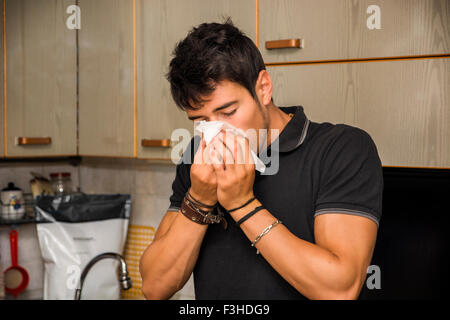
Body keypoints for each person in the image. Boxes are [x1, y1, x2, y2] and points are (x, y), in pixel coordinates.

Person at [139, 18, 383, 300]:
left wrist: (242, 204)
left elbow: (339, 289)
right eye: (200, 120)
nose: (216, 132)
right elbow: (155, 287)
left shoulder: (341, 149)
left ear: (264, 87)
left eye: (228, 112)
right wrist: (199, 199)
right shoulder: (198, 157)